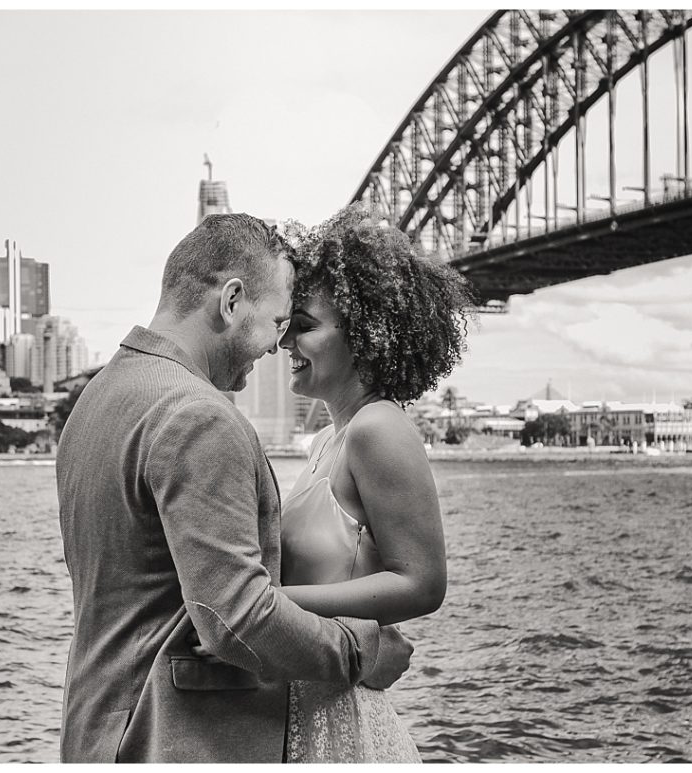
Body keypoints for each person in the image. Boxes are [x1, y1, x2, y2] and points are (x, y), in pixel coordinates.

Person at [56, 213, 413, 763]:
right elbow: (234, 617)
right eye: (276, 321)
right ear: (231, 301)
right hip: (175, 738)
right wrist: (360, 651)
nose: (278, 344)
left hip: (97, 727)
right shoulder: (198, 416)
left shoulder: (96, 399)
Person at [275, 205, 474, 762]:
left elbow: (422, 583)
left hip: (340, 719)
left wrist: (268, 606)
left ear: (363, 333)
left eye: (305, 326)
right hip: (309, 699)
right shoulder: (327, 441)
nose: (284, 340)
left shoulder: (378, 428)